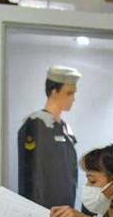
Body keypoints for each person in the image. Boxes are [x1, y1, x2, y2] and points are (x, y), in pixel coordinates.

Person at [18, 65, 81, 208]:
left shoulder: (64, 128)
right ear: (54, 92)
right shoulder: (36, 124)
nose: (73, 99)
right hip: (42, 209)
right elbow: (32, 174)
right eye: (69, 93)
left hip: (65, 209)